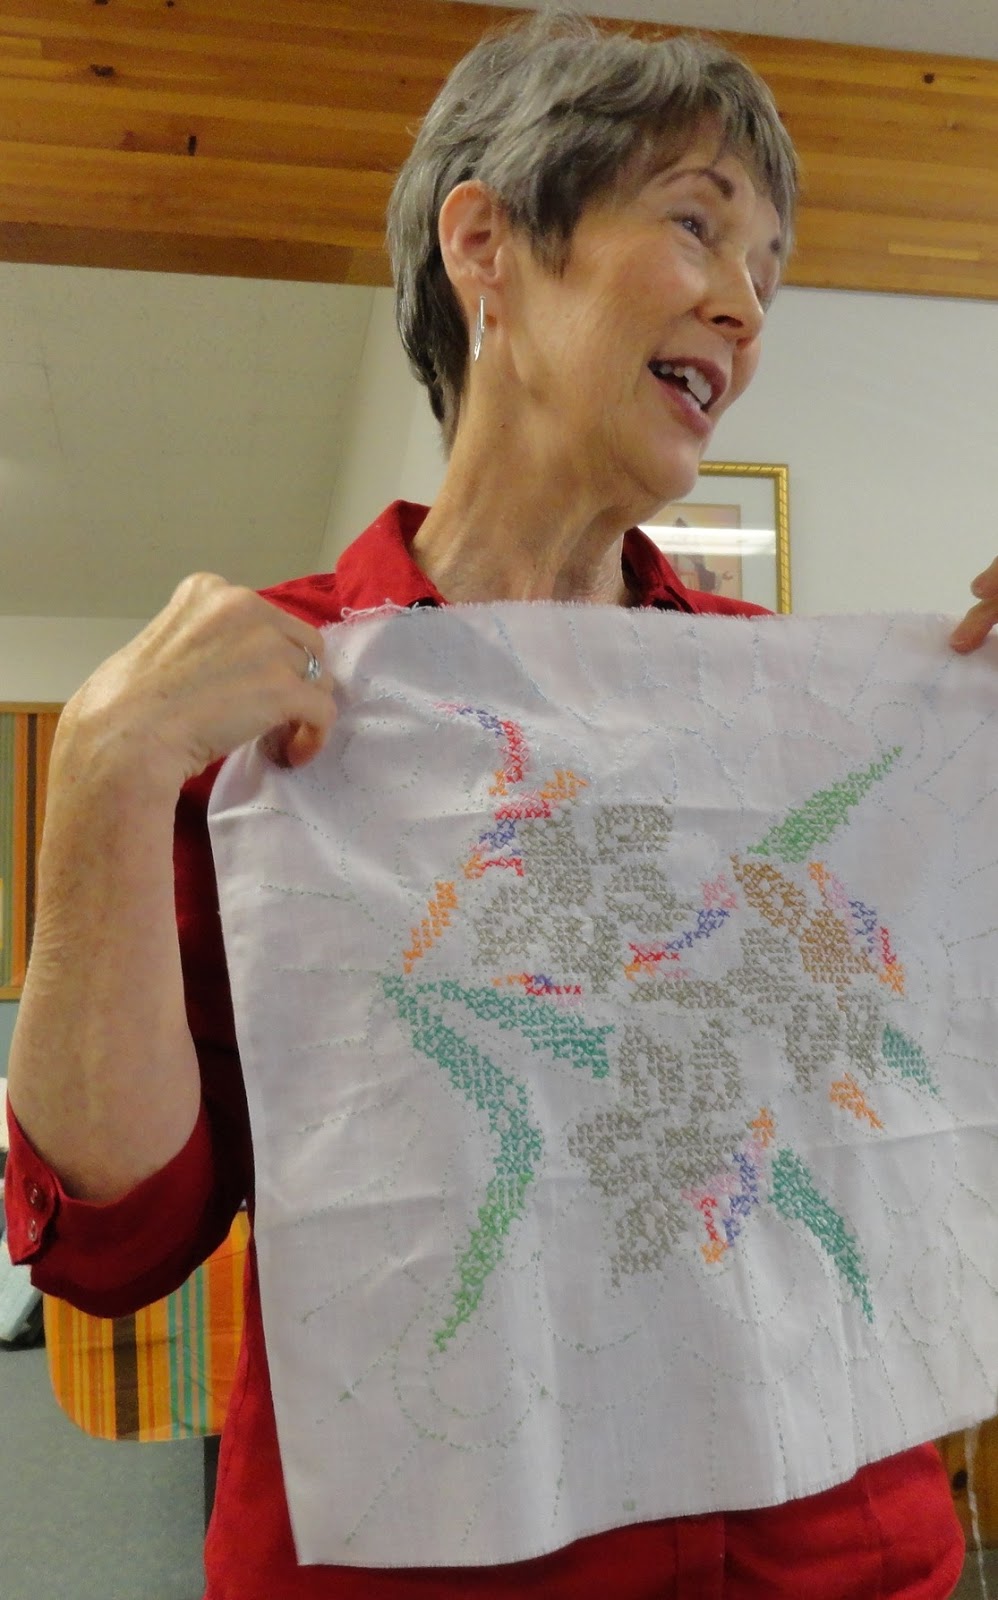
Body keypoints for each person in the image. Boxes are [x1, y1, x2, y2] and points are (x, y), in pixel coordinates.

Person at [4, 10, 996, 1598]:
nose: (744, 307)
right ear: (487, 245)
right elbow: (116, 1243)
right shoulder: (261, 695)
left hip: (828, 1550)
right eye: (697, 225)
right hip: (433, 1557)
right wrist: (105, 776)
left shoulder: (798, 718)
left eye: (768, 271)